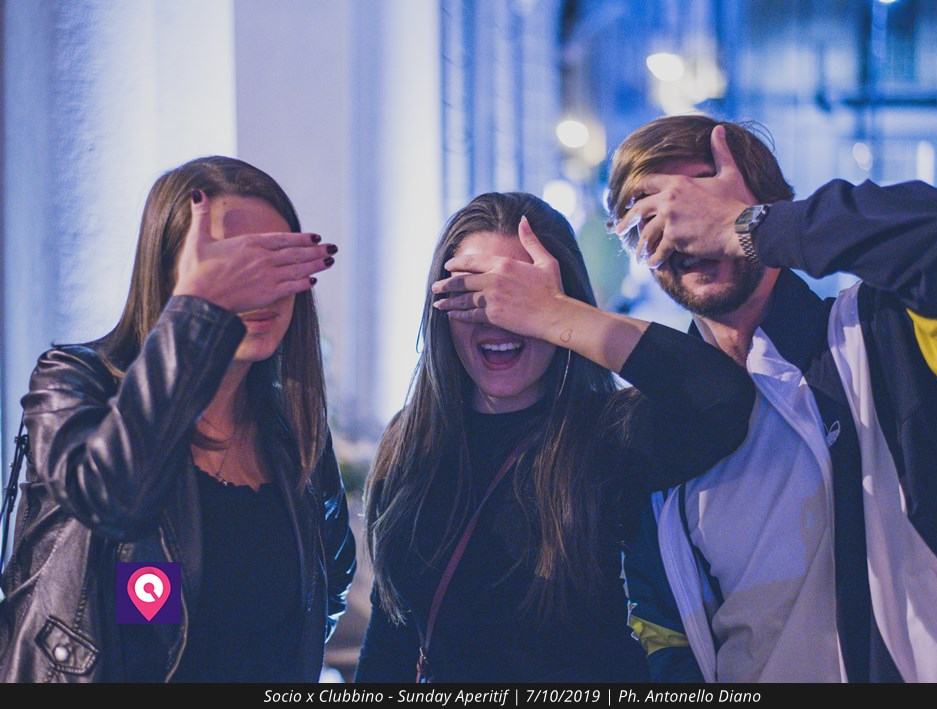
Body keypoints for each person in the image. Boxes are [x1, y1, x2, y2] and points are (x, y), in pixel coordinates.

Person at [600, 115, 937, 682]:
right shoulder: (653, 427)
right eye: (652, 215)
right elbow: (664, 629)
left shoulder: (880, 337)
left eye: (700, 196)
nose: (681, 229)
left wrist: (746, 227)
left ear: (770, 205)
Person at [355, 192, 754, 682]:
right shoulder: (414, 439)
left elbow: (722, 398)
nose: (496, 315)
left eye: (516, 294)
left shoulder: (610, 435)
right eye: (472, 292)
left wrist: (557, 315)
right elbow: (393, 635)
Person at [0, 156, 357, 682]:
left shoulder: (290, 424)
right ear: (169, 273)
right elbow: (113, 499)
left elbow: (328, 584)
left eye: (274, 261)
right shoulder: (74, 382)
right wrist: (198, 313)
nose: (256, 287)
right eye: (230, 265)